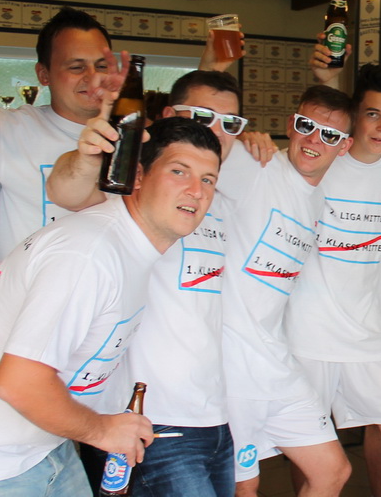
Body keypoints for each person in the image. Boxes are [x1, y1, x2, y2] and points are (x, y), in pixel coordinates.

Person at [0, 116, 222, 495]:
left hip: (38, 445)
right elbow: (19, 383)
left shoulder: (126, 244)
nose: (196, 190)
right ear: (137, 176)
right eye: (179, 171)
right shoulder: (89, 256)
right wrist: (102, 429)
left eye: (208, 180)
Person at [46, 69, 249, 496]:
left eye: (230, 123)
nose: (216, 130)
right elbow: (66, 192)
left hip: (213, 416)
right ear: (169, 116)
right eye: (203, 116)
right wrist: (87, 156)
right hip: (147, 421)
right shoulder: (135, 187)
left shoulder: (217, 202)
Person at [284, 64, 381, 497]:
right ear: (356, 114)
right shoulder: (320, 158)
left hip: (370, 331)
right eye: (373, 114)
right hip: (310, 329)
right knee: (310, 447)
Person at [222, 85, 355, 497]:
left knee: (332, 471)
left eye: (329, 135)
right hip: (231, 365)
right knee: (245, 487)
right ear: (290, 125)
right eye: (305, 126)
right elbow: (193, 143)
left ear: (345, 147)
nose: (314, 140)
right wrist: (238, 138)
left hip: (275, 360)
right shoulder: (255, 166)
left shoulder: (316, 199)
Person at [0, 7, 116, 256]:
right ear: (43, 74)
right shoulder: (7, 129)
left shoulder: (135, 138)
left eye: (101, 66)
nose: (93, 78)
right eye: (76, 67)